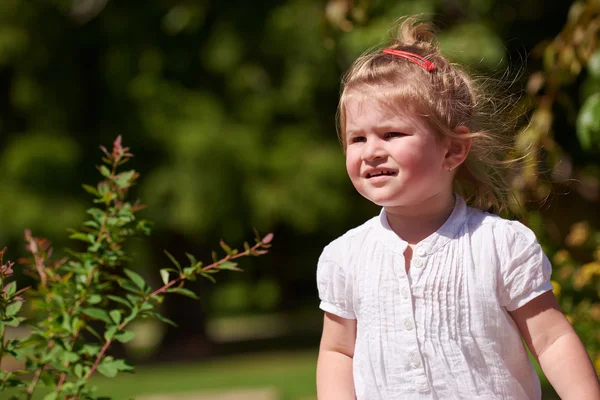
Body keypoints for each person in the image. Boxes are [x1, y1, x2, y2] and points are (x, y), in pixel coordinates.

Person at [315, 16, 600, 400]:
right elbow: (338, 351)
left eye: (392, 134)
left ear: (452, 150)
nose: (371, 151)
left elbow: (551, 340)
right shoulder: (344, 258)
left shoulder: (499, 246)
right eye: (357, 138)